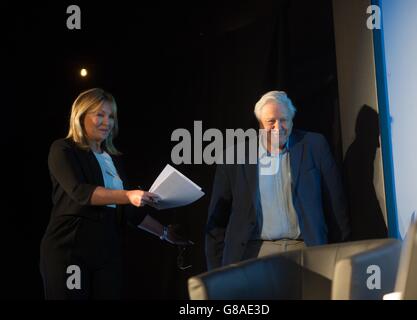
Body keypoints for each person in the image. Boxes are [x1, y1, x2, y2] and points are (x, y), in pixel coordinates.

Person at [40, 88, 191, 299]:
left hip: (106, 250)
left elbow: (130, 212)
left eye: (111, 116)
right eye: (99, 114)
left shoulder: (113, 159)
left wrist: (165, 233)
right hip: (71, 249)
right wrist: (128, 195)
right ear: (81, 115)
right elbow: (80, 192)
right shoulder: (63, 149)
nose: (107, 122)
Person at [205, 90, 350, 270]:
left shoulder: (314, 145)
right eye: (271, 122)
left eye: (283, 120)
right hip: (254, 253)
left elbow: (336, 207)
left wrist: (340, 257)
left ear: (292, 120)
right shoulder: (234, 158)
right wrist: (216, 273)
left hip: (305, 250)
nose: (278, 127)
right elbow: (217, 221)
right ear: (260, 124)